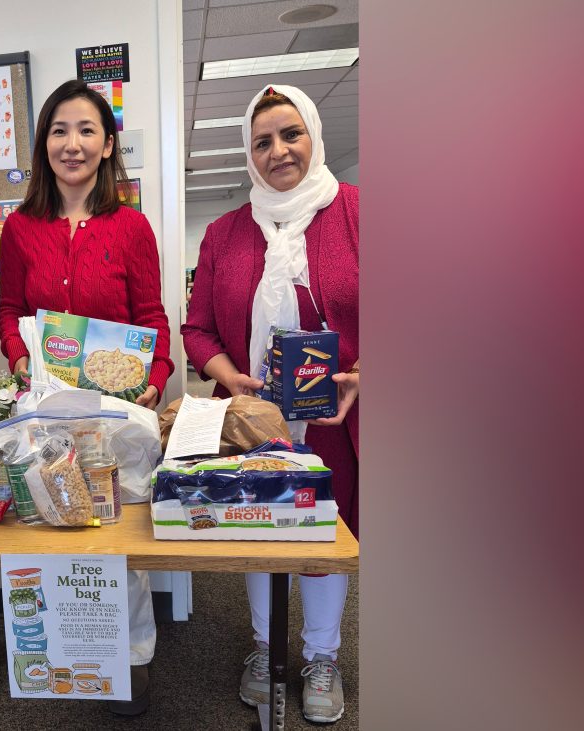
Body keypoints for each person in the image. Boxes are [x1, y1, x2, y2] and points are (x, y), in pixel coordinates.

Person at [181, 84, 358, 724]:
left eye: (291, 134)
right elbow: (196, 328)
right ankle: (264, 646)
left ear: (314, 134)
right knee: (259, 527)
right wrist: (230, 377)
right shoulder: (227, 233)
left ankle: (322, 656)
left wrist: (362, 373)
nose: (278, 151)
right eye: (263, 142)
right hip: (255, 424)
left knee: (322, 535)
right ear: (248, 155)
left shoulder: (361, 213)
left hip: (339, 420)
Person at [0, 79, 174, 716]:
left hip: (119, 417)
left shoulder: (131, 227)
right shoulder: (18, 230)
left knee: (119, 542)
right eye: (60, 130)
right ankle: (69, 657)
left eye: (86, 130)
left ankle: (132, 658)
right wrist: (20, 366)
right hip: (46, 414)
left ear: (107, 145)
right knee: (52, 535)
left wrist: (154, 376)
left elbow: (153, 315)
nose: (72, 144)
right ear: (44, 144)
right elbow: (11, 312)